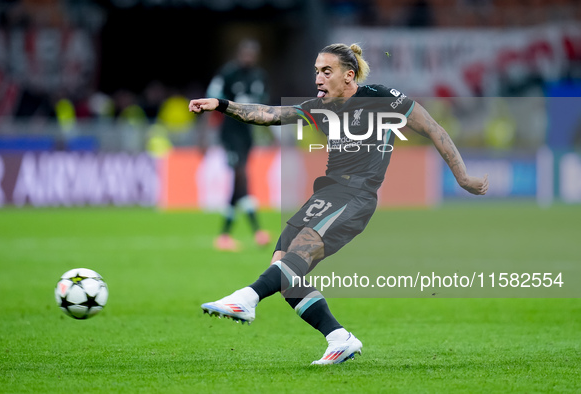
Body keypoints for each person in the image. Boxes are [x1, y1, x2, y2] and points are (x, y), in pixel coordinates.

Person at [189, 43, 489, 365]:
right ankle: (339, 338)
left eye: (326, 71)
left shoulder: (380, 97)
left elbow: (432, 127)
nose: (318, 78)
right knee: (285, 272)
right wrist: (221, 104)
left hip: (356, 196)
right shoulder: (322, 106)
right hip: (327, 193)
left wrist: (462, 177)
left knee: (297, 254)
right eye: (316, 71)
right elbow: (270, 115)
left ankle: (246, 298)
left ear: (348, 76)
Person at [205, 39, 271, 251]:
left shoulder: (259, 76)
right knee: (241, 175)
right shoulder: (228, 73)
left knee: (237, 184)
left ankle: (224, 236)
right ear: (239, 54)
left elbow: (263, 103)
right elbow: (212, 94)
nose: (248, 58)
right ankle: (257, 230)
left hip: (247, 134)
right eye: (245, 53)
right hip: (230, 133)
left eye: (252, 54)